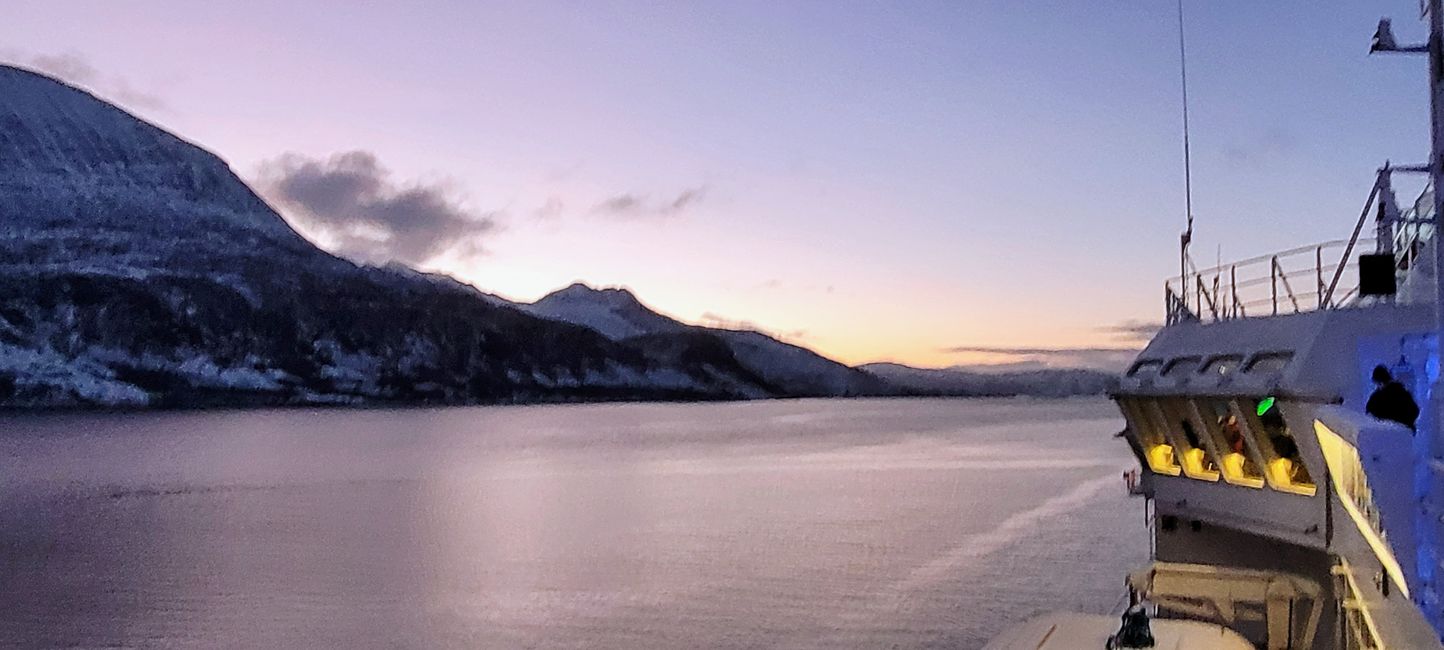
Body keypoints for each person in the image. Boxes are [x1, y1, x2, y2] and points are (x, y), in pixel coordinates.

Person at [1367, 365, 1420, 431]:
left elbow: (1369, 414)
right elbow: (1415, 410)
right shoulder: (1402, 392)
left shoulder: (1377, 398)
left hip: (1386, 433)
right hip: (1404, 433)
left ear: (1378, 382)